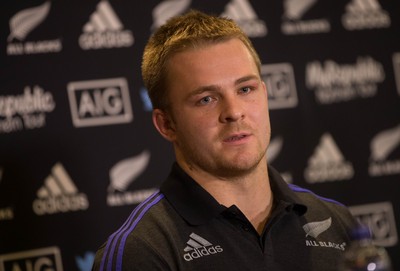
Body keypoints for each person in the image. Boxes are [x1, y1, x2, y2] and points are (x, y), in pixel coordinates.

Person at [92, 10, 358, 271]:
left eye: (245, 89)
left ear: (264, 95)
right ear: (166, 124)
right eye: (206, 99)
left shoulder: (336, 222)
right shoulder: (141, 251)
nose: (233, 111)